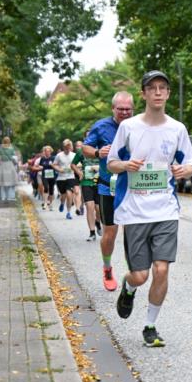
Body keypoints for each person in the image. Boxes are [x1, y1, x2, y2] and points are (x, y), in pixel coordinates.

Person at [107, 71, 192, 347]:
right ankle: (129, 287)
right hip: (134, 211)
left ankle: (150, 326)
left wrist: (184, 171)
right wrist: (126, 165)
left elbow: (190, 165)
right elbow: (111, 162)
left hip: (166, 210)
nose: (158, 92)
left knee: (161, 270)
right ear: (143, 94)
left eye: (163, 88)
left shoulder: (177, 129)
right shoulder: (129, 128)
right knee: (140, 275)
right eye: (152, 88)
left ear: (168, 94)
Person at [83, 91, 136, 291]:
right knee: (110, 233)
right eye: (120, 109)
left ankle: (134, 272)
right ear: (113, 108)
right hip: (108, 187)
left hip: (133, 187)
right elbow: (85, 149)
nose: (124, 112)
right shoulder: (101, 126)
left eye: (128, 109)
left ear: (133, 109)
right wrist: (98, 152)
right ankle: (107, 267)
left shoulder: (139, 125)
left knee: (132, 233)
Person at [73, 130, 102, 241]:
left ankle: (98, 222)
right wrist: (79, 173)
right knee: (89, 206)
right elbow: (73, 164)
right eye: (88, 136)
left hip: (99, 182)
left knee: (98, 209)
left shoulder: (101, 149)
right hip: (86, 182)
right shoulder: (81, 152)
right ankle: (92, 232)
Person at [53, 140, 78, 219]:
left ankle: (68, 212)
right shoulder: (59, 155)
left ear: (71, 147)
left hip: (71, 177)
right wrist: (59, 169)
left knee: (69, 194)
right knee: (63, 195)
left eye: (69, 148)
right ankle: (62, 203)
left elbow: (79, 163)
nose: (67, 150)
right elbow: (54, 164)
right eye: (66, 148)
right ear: (63, 147)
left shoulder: (74, 155)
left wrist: (76, 167)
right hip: (61, 178)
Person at [0, 137, 19, 202]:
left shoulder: (0, 149)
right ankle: (10, 197)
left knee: (2, 182)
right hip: (10, 165)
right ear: (9, 141)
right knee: (11, 182)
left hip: (2, 165)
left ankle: (3, 197)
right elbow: (15, 158)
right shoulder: (11, 149)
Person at [34, 146, 56, 210]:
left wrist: (53, 166)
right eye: (46, 151)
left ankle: (50, 204)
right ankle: (45, 203)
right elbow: (38, 166)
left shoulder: (53, 158)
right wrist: (39, 168)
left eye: (49, 151)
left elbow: (57, 165)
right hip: (45, 176)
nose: (47, 152)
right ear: (44, 152)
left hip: (52, 176)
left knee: (51, 190)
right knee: (46, 188)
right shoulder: (42, 159)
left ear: (50, 152)